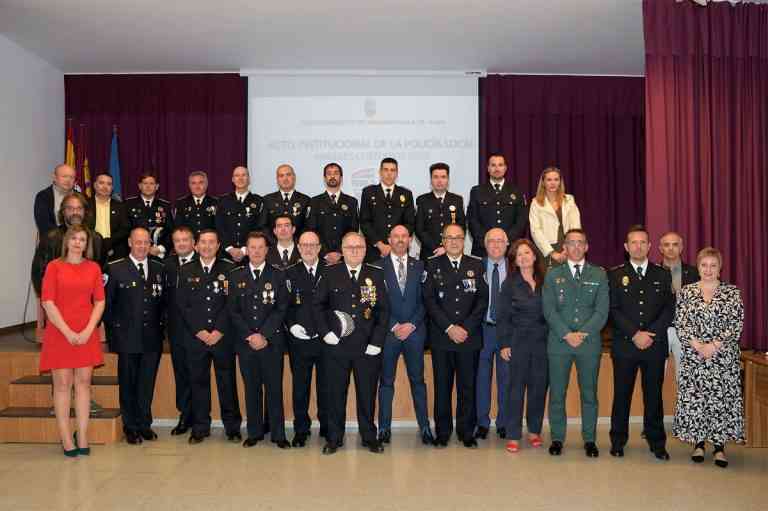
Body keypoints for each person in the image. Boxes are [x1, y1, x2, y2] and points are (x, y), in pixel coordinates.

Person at [313, 232, 390, 455]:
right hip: (336, 346)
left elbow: (383, 311)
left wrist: (377, 341)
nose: (355, 251)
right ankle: (335, 437)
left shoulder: (375, 274)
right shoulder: (329, 273)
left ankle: (369, 436)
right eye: (350, 247)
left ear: (365, 250)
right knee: (335, 394)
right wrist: (326, 333)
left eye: (359, 247)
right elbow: (317, 306)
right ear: (343, 250)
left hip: (367, 348)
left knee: (367, 394)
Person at [673, 247, 744, 469]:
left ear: (720, 268)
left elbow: (736, 324)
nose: (708, 269)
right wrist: (697, 345)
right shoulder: (686, 292)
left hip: (722, 358)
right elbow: (681, 323)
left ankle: (720, 447)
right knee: (696, 400)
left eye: (713, 265)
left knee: (720, 401)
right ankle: (699, 444)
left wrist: (714, 345)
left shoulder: (732, 293)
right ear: (698, 266)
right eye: (704, 265)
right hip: (695, 357)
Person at [608, 225, 674, 460]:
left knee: (654, 396)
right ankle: (617, 440)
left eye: (642, 242)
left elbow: (669, 309)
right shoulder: (614, 274)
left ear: (649, 246)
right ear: (626, 247)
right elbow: (612, 310)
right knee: (622, 395)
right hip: (626, 345)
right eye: (633, 242)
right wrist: (635, 334)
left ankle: (657, 443)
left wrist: (651, 334)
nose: (638, 246)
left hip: (654, 347)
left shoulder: (662, 274)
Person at [542, 228, 609, 457]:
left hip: (588, 344)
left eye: (581, 242)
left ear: (587, 246)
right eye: (571, 243)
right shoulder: (553, 274)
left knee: (589, 394)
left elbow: (602, 311)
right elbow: (549, 310)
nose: (576, 247)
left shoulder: (599, 274)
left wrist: (582, 333)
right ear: (565, 247)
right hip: (559, 343)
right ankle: (557, 438)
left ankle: (589, 439)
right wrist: (566, 334)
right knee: (558, 393)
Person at [39, 225, 105, 456]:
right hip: (60, 331)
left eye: (82, 239)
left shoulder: (94, 268)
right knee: (63, 384)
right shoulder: (54, 267)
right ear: (67, 241)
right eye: (74, 238)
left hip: (86, 331)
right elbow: (48, 302)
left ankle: (83, 435)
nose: (78, 243)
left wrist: (89, 330)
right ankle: (66, 438)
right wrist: (67, 332)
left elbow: (99, 301)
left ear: (87, 244)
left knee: (84, 383)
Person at [422, 223, 488, 448]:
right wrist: (450, 328)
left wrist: (465, 328)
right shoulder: (432, 265)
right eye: (449, 238)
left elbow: (481, 301)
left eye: (458, 238)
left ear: (464, 241)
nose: (453, 241)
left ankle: (466, 431)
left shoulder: (476, 265)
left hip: (469, 338)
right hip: (442, 338)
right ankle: (442, 432)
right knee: (442, 387)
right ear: (442, 240)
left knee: (467, 387)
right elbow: (429, 301)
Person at [177, 229, 243, 444]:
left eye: (211, 242)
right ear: (196, 246)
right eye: (202, 242)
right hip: (196, 338)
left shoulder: (230, 269)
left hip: (222, 338)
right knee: (198, 383)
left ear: (218, 245)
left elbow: (232, 304)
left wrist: (218, 331)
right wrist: (200, 331)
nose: (206, 246)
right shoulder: (186, 270)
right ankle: (200, 427)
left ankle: (232, 427)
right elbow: (183, 305)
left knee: (227, 382)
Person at [103, 227, 166, 444]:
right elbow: (107, 307)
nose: (142, 246)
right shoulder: (115, 269)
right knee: (128, 384)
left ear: (150, 245)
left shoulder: (159, 268)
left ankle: (144, 424)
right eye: (138, 242)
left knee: (146, 384)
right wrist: (114, 336)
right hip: (127, 337)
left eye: (146, 243)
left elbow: (162, 304)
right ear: (130, 242)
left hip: (152, 337)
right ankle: (130, 427)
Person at [228, 231, 291, 448]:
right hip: (246, 343)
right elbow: (233, 311)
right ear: (247, 250)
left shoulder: (278, 275)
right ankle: (254, 432)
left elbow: (282, 308)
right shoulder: (236, 276)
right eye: (252, 247)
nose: (256, 251)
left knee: (274, 388)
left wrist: (263, 334)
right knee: (252, 388)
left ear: (267, 250)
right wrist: (250, 335)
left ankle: (278, 434)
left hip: (271, 342)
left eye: (260, 247)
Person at [376, 225, 433, 446]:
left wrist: (411, 324)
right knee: (386, 382)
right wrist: (393, 326)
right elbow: (378, 304)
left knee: (418, 381)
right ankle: (384, 428)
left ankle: (425, 427)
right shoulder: (378, 267)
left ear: (410, 240)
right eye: (395, 236)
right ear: (389, 240)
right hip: (388, 334)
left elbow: (425, 301)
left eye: (404, 237)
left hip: (415, 332)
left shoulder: (420, 266)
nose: (400, 240)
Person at [498, 239, 549, 453]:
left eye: (527, 253)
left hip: (543, 341)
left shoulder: (547, 280)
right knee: (515, 389)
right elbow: (502, 316)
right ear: (515, 261)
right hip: (518, 340)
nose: (523, 257)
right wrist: (504, 343)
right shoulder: (509, 283)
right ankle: (513, 434)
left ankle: (535, 431)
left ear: (535, 256)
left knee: (539, 387)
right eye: (519, 255)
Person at [284, 230, 328, 446]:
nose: (309, 249)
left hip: (325, 340)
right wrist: (292, 326)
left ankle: (327, 426)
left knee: (326, 386)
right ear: (298, 248)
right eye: (304, 245)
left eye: (313, 245)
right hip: (299, 341)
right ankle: (301, 429)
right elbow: (284, 306)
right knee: (300, 387)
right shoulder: (289, 272)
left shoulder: (330, 271)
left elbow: (336, 305)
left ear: (319, 248)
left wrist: (328, 330)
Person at [474, 228, 510, 440]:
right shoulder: (476, 267)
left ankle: (504, 422)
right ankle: (482, 422)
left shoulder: (516, 268)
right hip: (483, 329)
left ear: (507, 244)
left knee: (506, 379)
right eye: (491, 241)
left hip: (507, 332)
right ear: (485, 245)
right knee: (482, 378)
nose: (496, 245)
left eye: (500, 241)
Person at [32, 192, 105, 298]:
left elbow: (103, 273)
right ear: (63, 212)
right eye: (70, 209)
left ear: (85, 211)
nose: (75, 212)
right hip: (57, 305)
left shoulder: (96, 239)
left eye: (79, 208)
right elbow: (38, 274)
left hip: (89, 305)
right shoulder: (50, 238)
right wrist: (50, 302)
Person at [163, 225, 198, 436]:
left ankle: (200, 415)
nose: (182, 244)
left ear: (193, 242)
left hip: (201, 331)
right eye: (178, 241)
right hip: (176, 331)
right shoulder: (166, 266)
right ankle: (185, 415)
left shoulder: (203, 262)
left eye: (186, 239)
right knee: (182, 374)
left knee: (199, 375)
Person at [658, 231, 700, 381]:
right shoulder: (652, 273)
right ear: (660, 248)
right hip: (660, 331)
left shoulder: (695, 273)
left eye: (675, 244)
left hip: (686, 332)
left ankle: (685, 406)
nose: (670, 248)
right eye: (666, 245)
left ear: (681, 247)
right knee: (655, 379)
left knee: (686, 381)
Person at [467, 153, 526, 258]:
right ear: (488, 168)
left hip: (510, 249)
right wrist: (486, 241)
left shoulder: (516, 191)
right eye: (493, 165)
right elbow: (472, 220)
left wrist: (507, 240)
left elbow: (521, 220)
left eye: (500, 165)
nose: (497, 168)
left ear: (505, 168)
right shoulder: (477, 191)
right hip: (483, 249)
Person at [359, 157, 416, 262]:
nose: (389, 173)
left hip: (399, 249)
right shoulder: (368, 192)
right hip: (374, 250)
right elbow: (364, 222)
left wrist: (394, 245)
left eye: (392, 170)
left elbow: (410, 223)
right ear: (380, 172)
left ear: (397, 173)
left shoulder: (406, 194)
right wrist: (380, 245)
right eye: (386, 170)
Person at [305, 163, 359, 265]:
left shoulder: (352, 202)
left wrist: (340, 251)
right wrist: (325, 253)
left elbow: (353, 230)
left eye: (336, 173)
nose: (332, 176)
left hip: (344, 257)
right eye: (329, 173)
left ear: (341, 177)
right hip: (320, 257)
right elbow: (312, 230)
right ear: (324, 178)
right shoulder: (314, 202)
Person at [528, 166, 581, 267]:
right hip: (546, 250)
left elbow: (576, 227)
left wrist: (568, 248)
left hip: (569, 247)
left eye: (556, 179)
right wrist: (552, 253)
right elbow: (535, 231)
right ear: (543, 182)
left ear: (560, 182)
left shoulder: (569, 200)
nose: (553, 183)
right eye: (549, 180)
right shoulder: (535, 203)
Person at [415, 162, 465, 261]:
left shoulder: (457, 200)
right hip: (430, 253)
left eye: (443, 177)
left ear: (448, 180)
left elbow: (461, 227)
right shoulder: (422, 200)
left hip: (453, 253)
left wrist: (446, 247)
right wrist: (435, 248)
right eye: (435, 177)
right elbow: (419, 229)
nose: (439, 180)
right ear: (431, 180)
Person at [215, 166, 264, 265]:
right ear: (233, 180)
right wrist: (229, 248)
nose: (240, 178)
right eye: (237, 176)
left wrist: (244, 249)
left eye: (244, 175)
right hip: (225, 255)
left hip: (250, 255)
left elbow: (259, 227)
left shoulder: (258, 201)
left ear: (249, 179)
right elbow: (219, 227)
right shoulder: (223, 201)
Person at [123, 173, 173, 259]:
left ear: (157, 186)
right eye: (145, 183)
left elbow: (171, 231)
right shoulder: (128, 204)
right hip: (135, 253)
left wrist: (160, 248)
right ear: (139, 186)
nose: (148, 186)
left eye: (151, 183)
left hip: (159, 254)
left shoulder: (165, 206)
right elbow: (125, 230)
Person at [260, 164, 311, 241]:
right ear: (277, 179)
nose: (285, 178)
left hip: (298, 247)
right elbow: (263, 226)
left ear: (294, 177)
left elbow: (308, 227)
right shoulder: (267, 199)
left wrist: (296, 243)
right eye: (281, 176)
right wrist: (275, 243)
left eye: (288, 175)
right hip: (273, 247)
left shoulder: (305, 200)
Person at [87, 173, 130, 262]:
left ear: (112, 188)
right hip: (90, 249)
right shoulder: (85, 205)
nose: (105, 186)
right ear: (95, 185)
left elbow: (125, 228)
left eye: (109, 184)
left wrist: (109, 242)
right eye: (101, 183)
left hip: (115, 251)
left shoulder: (121, 206)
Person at [34, 163, 76, 236]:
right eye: (64, 176)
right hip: (53, 241)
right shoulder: (43, 196)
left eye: (72, 177)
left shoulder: (81, 197)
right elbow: (44, 225)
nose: (68, 180)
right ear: (54, 177)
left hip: (77, 240)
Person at [173, 171, 218, 238]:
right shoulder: (181, 203)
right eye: (193, 183)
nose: (197, 186)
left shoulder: (216, 203)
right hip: (189, 243)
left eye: (201, 182)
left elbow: (220, 227)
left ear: (206, 184)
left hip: (209, 243)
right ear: (189, 185)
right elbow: (178, 228)